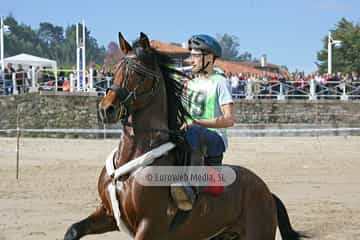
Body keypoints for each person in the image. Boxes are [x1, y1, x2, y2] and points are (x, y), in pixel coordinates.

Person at [171, 34, 235, 211]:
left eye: (196, 56)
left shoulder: (220, 82)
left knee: (193, 131)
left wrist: (197, 123)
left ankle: (191, 187)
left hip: (215, 140)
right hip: (192, 135)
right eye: (191, 55)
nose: (192, 60)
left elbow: (229, 120)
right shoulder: (189, 83)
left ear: (209, 58)